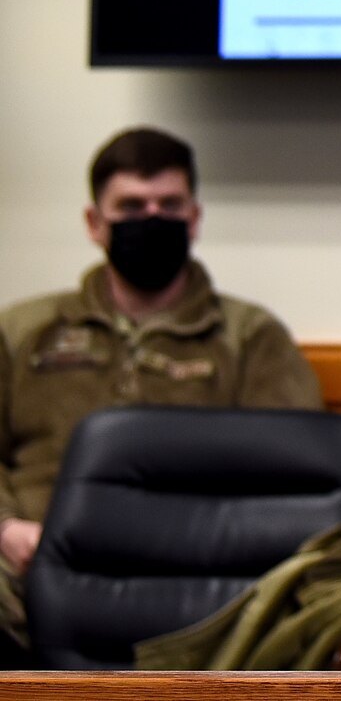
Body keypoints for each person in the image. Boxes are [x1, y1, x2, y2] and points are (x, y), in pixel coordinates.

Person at [0, 127, 322, 659]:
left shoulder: (249, 336)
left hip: (191, 567)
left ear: (194, 219)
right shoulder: (22, 331)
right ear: (94, 222)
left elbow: (292, 480)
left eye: (169, 204)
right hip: (35, 557)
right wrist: (7, 526)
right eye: (131, 205)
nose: (152, 219)